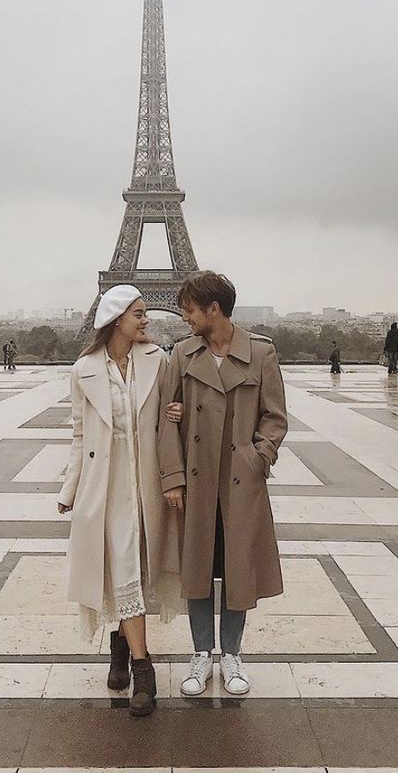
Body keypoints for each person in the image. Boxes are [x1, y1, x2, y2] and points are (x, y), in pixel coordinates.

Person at [158, 271, 288, 697]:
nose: (185, 317)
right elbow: (166, 420)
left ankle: (231, 653)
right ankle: (201, 652)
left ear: (214, 309)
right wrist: (173, 478)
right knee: (197, 568)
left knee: (237, 569)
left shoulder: (262, 353)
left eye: (191, 309)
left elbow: (275, 416)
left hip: (238, 480)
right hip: (197, 480)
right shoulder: (181, 354)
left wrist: (258, 458)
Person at [57, 285, 184, 718]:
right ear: (116, 320)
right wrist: (70, 490)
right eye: (138, 314)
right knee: (121, 565)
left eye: (145, 312)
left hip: (145, 483)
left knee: (132, 567)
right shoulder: (83, 370)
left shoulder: (158, 360)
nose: (146, 320)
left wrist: (177, 413)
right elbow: (79, 434)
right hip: (106, 486)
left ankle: (120, 647)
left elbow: (172, 410)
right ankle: (142, 667)